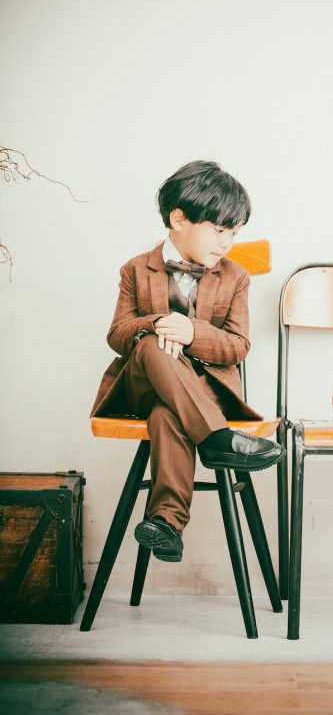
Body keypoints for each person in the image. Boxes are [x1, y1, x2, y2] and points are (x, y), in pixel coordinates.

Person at [91, 160, 284, 563]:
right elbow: (117, 334)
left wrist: (193, 332)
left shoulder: (236, 277)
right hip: (143, 386)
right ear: (179, 219)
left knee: (168, 415)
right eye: (219, 230)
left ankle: (166, 524)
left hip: (203, 393)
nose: (227, 243)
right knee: (150, 345)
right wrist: (158, 323)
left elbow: (238, 346)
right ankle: (216, 440)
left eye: (234, 233)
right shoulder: (135, 269)